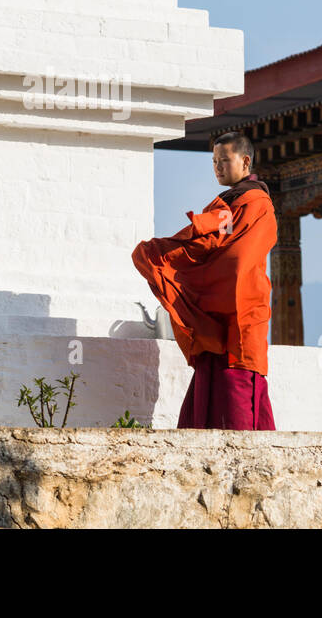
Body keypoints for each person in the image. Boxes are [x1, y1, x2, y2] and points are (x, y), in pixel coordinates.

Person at [131, 131, 278, 430]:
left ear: (245, 161)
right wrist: (169, 253)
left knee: (238, 405)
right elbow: (209, 241)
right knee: (206, 400)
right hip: (216, 320)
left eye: (225, 160)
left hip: (241, 317)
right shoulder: (231, 202)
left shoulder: (257, 204)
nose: (218, 167)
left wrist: (177, 262)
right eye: (213, 161)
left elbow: (236, 260)